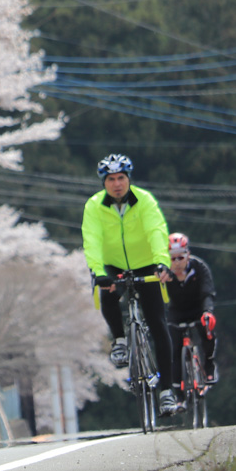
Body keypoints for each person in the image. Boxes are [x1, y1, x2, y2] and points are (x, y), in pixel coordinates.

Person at [82, 153, 181, 417]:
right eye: (111, 179)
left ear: (129, 179)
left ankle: (167, 392)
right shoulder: (94, 206)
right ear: (104, 182)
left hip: (146, 264)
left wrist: (162, 262)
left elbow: (156, 231)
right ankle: (120, 340)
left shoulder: (144, 200)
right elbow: (91, 240)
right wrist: (98, 272)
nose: (117, 184)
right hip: (112, 265)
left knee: (158, 323)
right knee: (107, 291)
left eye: (121, 178)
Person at [165, 233, 218, 389]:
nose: (177, 263)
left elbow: (207, 292)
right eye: (172, 259)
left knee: (207, 330)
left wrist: (208, 311)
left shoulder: (199, 267)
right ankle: (178, 392)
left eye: (180, 258)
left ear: (187, 254)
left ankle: (209, 365)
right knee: (174, 348)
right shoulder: (164, 273)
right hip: (176, 312)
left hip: (197, 309)